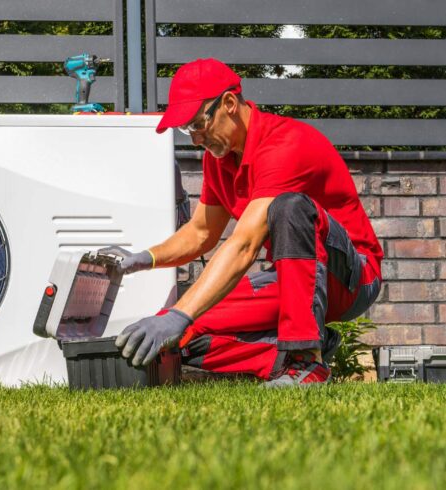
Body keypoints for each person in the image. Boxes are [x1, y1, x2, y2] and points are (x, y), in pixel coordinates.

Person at [100, 58, 383, 386]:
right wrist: (145, 259)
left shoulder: (286, 144)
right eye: (186, 130)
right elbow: (200, 232)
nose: (194, 139)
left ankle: (306, 361)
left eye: (197, 125)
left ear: (229, 104)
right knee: (179, 336)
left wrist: (181, 312)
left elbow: (245, 243)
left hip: (352, 278)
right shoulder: (218, 160)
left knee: (289, 207)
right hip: (294, 280)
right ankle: (296, 353)